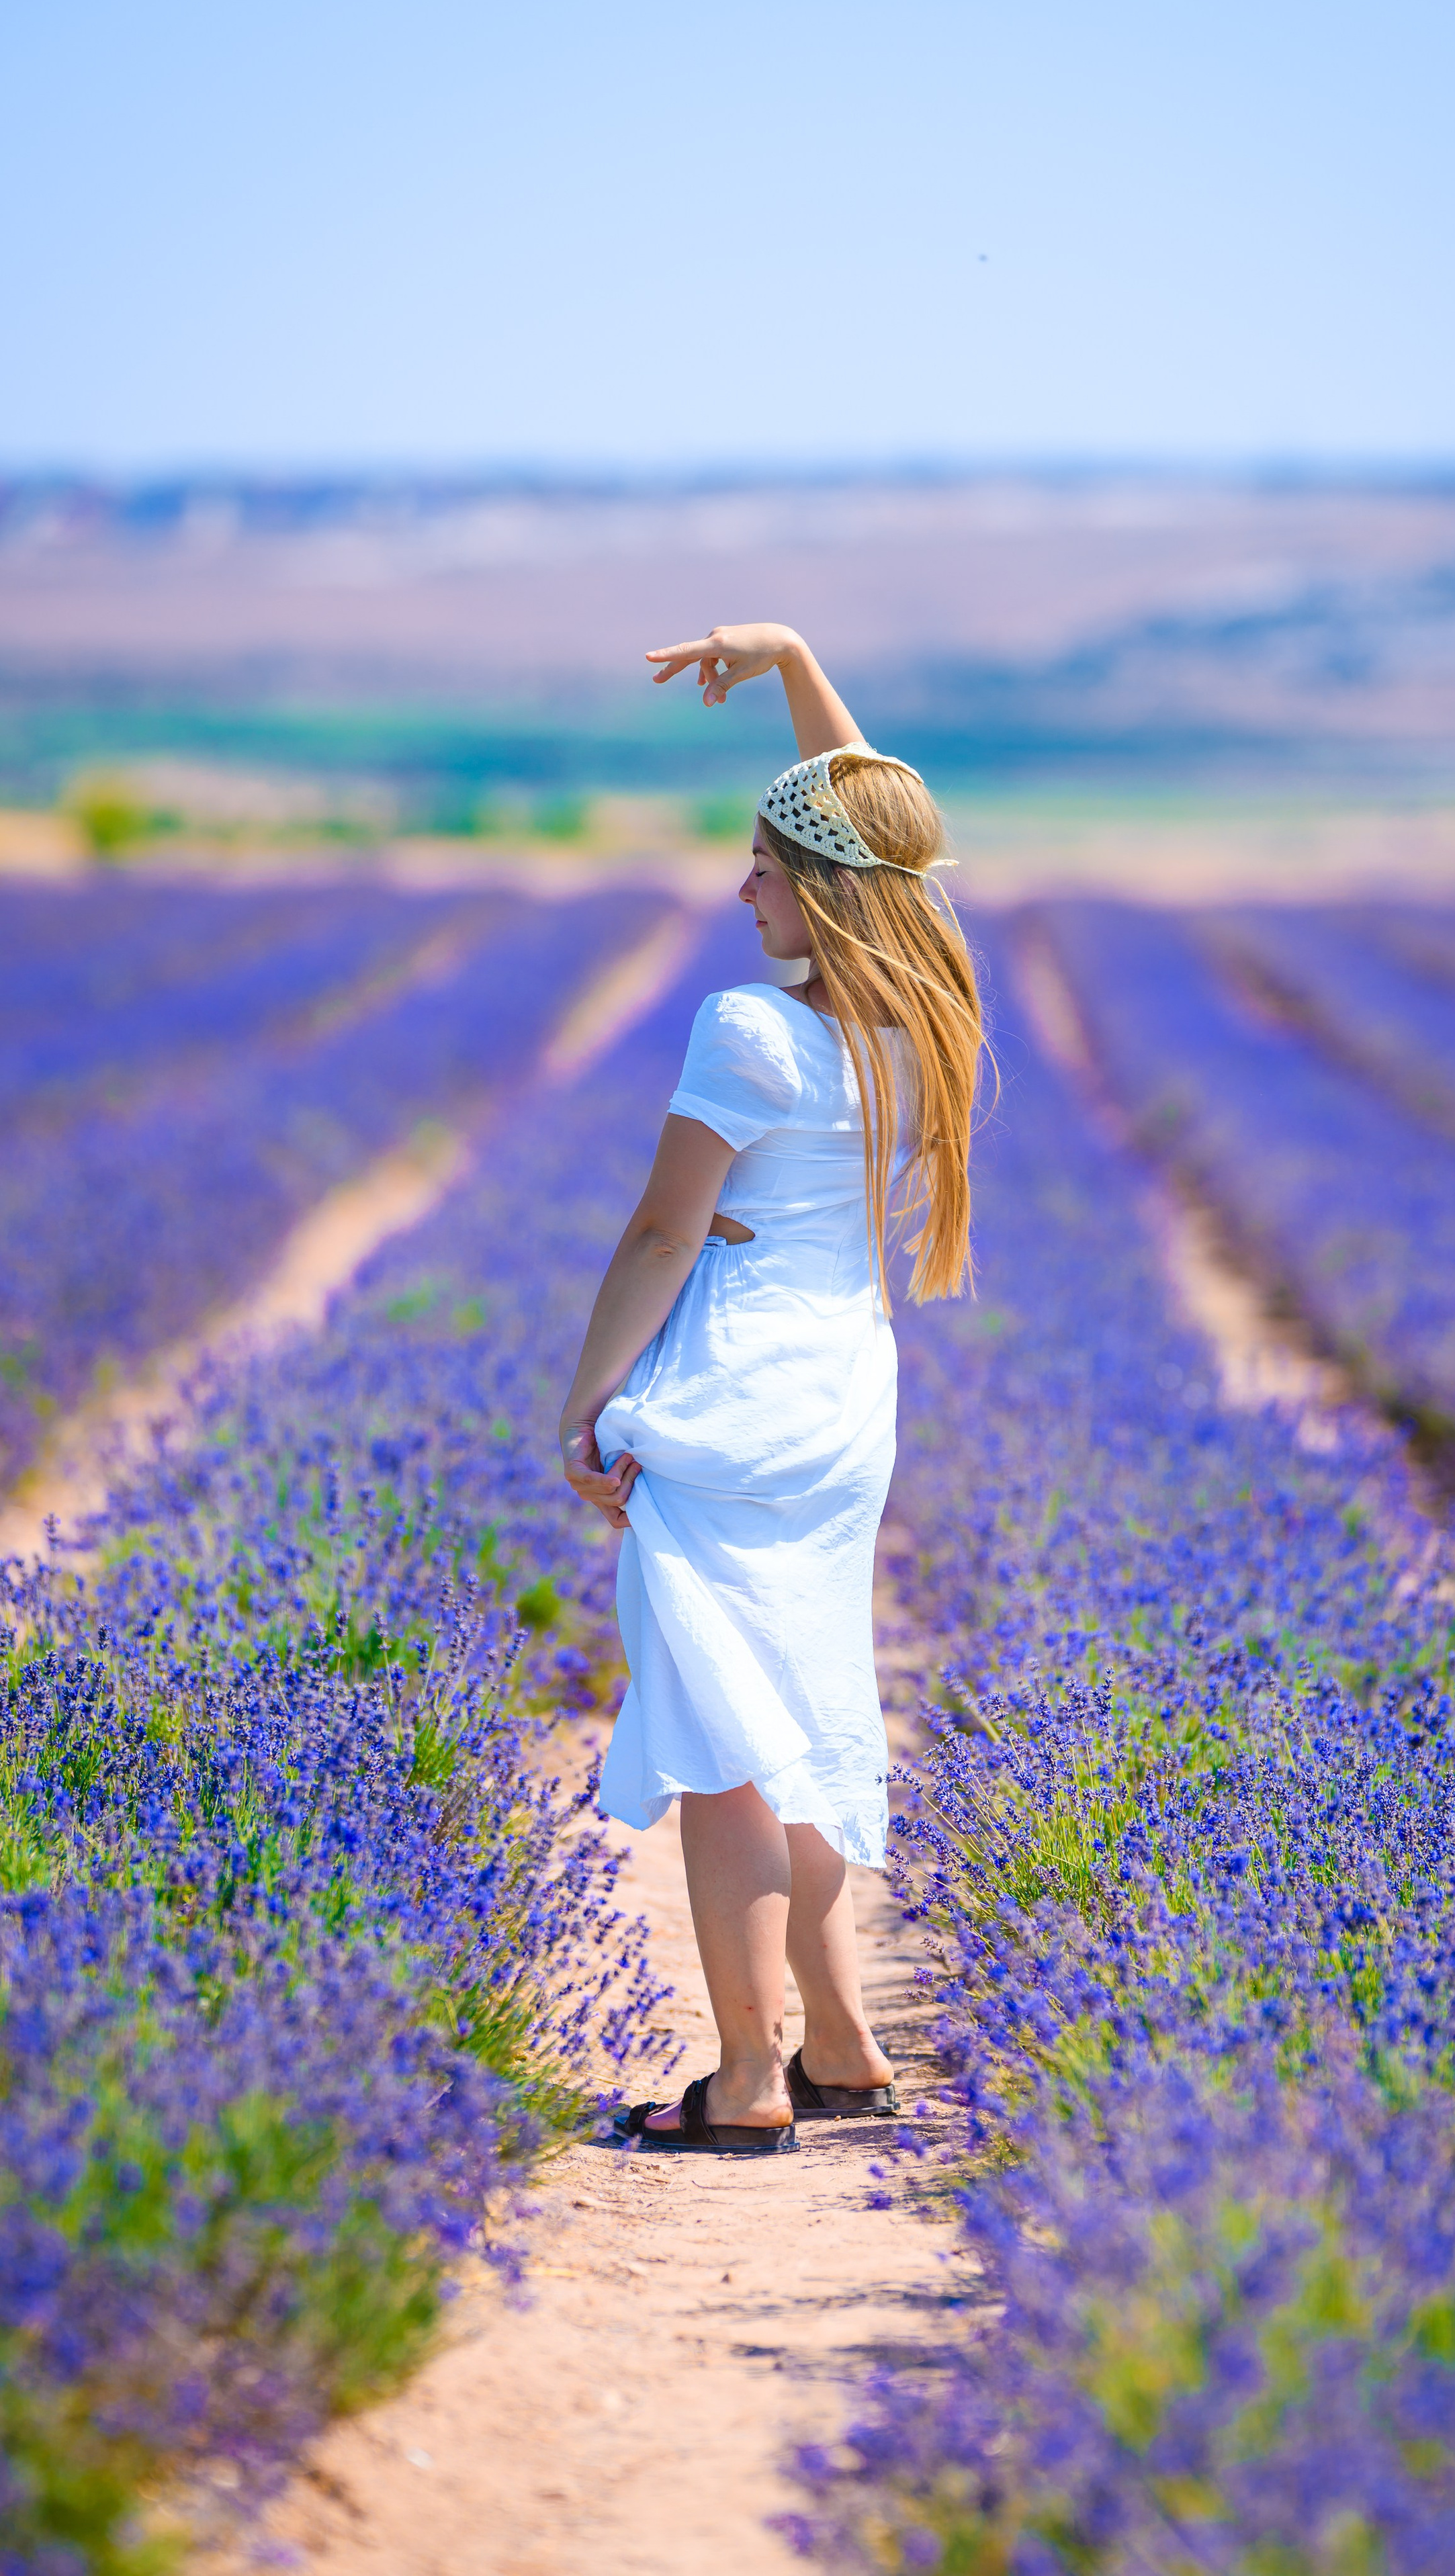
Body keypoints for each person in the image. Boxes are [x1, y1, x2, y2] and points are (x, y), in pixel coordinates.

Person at [558, 623, 982, 2154]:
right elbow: (887, 834)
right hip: (843, 1400)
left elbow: (666, 1229)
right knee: (800, 1711)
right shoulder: (926, 1023)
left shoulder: (751, 1027)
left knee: (727, 1747)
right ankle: (847, 2046)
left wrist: (588, 1404)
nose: (740, 889)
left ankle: (743, 2084)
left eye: (761, 865)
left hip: (728, 1399)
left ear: (819, 889)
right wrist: (797, 657)